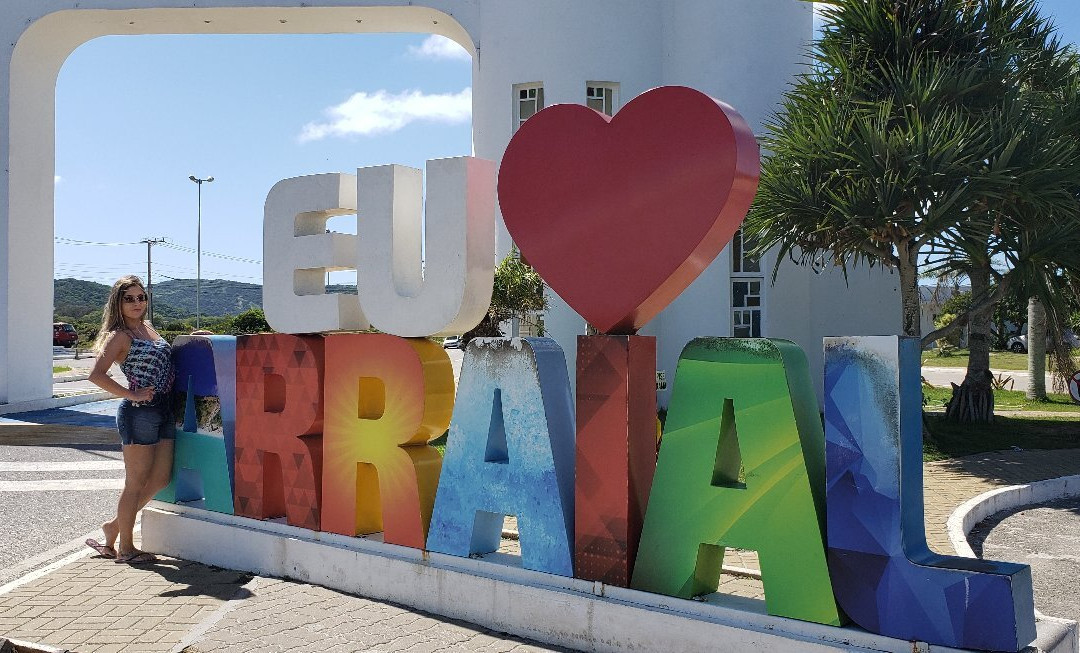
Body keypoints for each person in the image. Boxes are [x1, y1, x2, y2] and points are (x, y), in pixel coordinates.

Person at [84, 275, 175, 564]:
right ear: (119, 303)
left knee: (160, 479)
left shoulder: (148, 328)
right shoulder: (121, 336)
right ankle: (125, 547)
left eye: (141, 297)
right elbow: (96, 375)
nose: (137, 303)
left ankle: (113, 527)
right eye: (129, 298)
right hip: (140, 412)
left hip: (165, 408)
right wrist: (130, 393)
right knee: (135, 482)